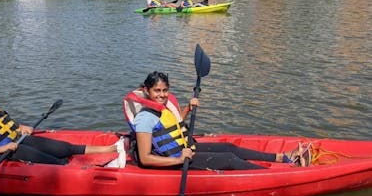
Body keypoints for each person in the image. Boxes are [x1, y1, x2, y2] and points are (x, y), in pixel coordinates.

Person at [123, 71, 310, 169]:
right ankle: (280, 172)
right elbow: (146, 159)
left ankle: (282, 157)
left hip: (182, 151)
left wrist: (188, 108)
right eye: (157, 91)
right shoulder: (144, 119)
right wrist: (179, 160)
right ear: (147, 91)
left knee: (229, 148)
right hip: (173, 161)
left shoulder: (162, 107)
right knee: (228, 159)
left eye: (165, 90)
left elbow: (174, 125)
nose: (162, 95)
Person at [0, 76, 120, 165]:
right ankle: (98, 168)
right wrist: (3, 148)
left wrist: (20, 126)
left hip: (17, 139)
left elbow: (1, 123)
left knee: (63, 148)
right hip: (2, 152)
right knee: (56, 162)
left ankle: (110, 149)